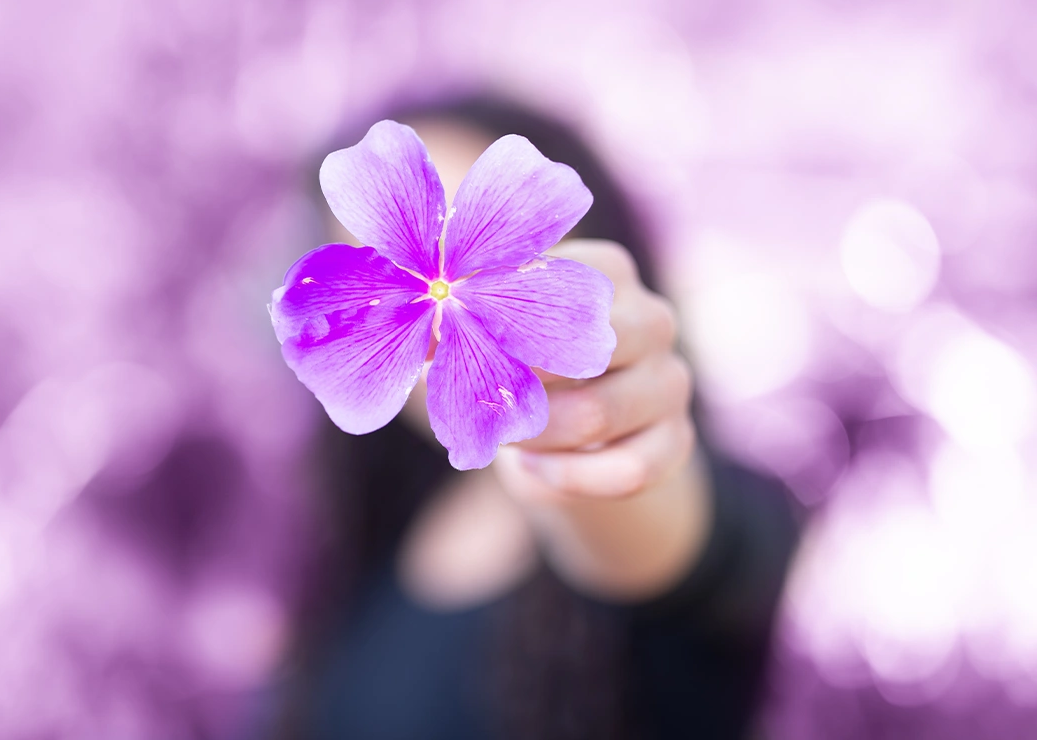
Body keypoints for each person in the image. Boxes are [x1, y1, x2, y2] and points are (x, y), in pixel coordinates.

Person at [273, 97, 800, 740]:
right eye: (376, 252)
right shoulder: (375, 538)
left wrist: (601, 432)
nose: (434, 285)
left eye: (470, 230)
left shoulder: (728, 512)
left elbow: (661, 529)